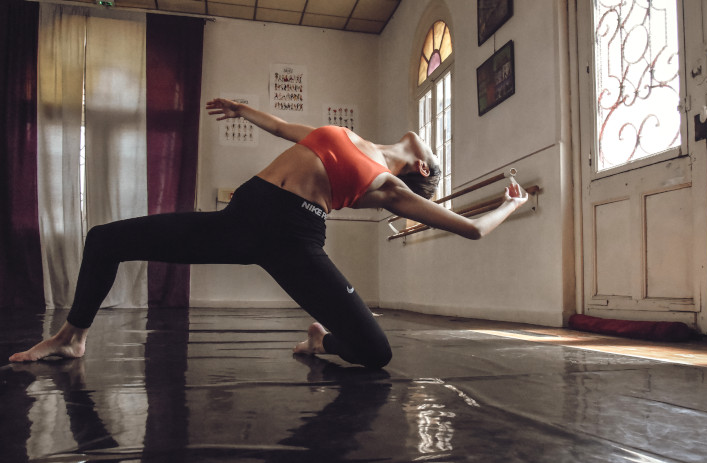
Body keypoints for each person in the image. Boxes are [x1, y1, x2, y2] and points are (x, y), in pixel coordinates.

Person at [9, 98, 528, 368]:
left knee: (376, 352)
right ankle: (70, 338)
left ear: (422, 171)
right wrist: (242, 111)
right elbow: (282, 128)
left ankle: (320, 343)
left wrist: (510, 205)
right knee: (106, 238)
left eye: (430, 157)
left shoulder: (391, 185)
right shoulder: (348, 135)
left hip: (293, 237)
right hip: (241, 219)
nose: (426, 141)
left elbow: (473, 231)